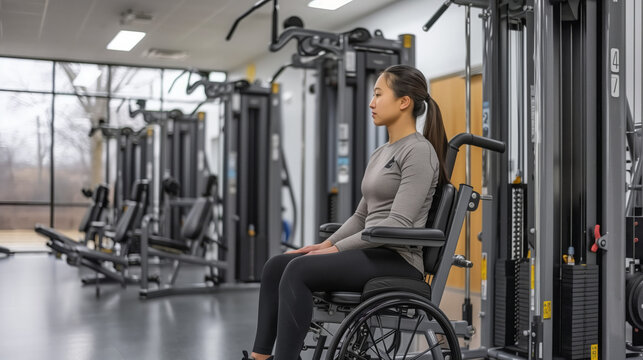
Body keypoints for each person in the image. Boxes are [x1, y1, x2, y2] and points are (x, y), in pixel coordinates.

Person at [242, 64, 449, 360]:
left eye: (379, 94)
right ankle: (259, 357)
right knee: (277, 265)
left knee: (299, 271)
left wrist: (337, 249)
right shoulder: (381, 152)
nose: (371, 103)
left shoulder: (418, 151)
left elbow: (397, 222)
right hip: (373, 250)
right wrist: (324, 245)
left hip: (398, 258)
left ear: (404, 102)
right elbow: (361, 217)